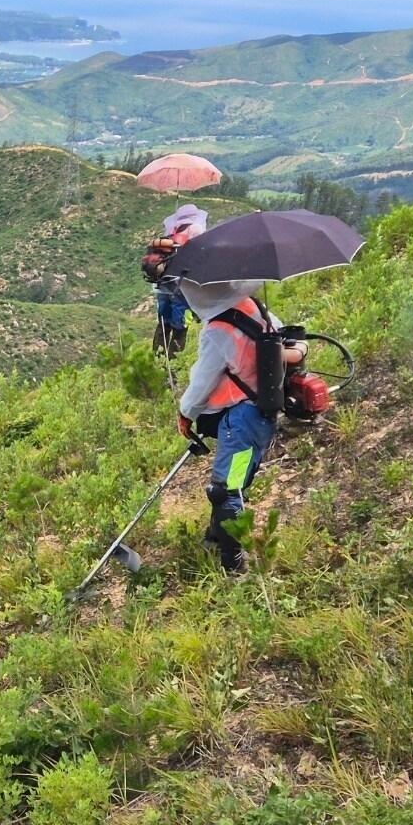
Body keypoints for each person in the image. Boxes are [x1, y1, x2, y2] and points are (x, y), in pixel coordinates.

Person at [175, 284, 306, 574]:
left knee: (226, 490)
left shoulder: (218, 331)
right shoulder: (253, 306)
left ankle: (233, 566)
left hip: (241, 421)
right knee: (233, 481)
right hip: (262, 415)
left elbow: (202, 382)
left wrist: (185, 413)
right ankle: (214, 538)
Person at [152, 205, 207, 356]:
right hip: (180, 286)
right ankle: (174, 360)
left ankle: (156, 357)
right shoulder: (195, 230)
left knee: (163, 323)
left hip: (163, 284)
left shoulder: (171, 232)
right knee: (180, 325)